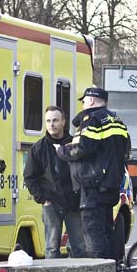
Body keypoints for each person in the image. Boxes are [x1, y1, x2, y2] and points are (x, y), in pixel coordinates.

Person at [57, 87, 130, 260]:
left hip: (93, 184)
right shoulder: (117, 120)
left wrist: (62, 151)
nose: (82, 105)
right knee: (106, 231)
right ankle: (112, 270)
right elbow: (125, 151)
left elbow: (83, 148)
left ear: (90, 101)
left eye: (83, 101)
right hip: (110, 184)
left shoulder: (92, 120)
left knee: (93, 232)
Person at [23, 105, 87, 259]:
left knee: (79, 247)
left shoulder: (75, 145)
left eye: (55, 120)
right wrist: (43, 199)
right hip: (51, 202)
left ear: (64, 122)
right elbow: (30, 177)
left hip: (74, 201)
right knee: (51, 248)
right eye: (48, 121)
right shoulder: (38, 148)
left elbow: (84, 171)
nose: (51, 124)